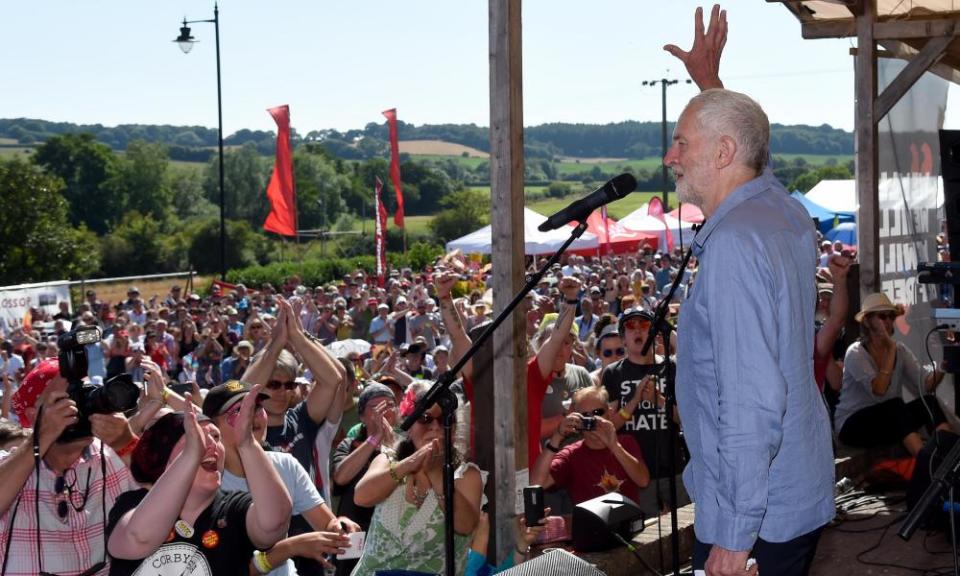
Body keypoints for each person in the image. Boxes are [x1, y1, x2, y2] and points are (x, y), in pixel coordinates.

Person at [666, 6, 834, 575]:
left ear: (721, 155)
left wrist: (735, 540)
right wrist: (712, 88)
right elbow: (752, 157)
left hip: (754, 517)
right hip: (792, 490)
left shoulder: (736, 243)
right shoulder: (781, 211)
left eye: (681, 143)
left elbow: (749, 400)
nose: (671, 157)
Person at [106, 396, 293, 575]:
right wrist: (191, 455)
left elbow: (274, 524)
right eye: (198, 437)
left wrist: (247, 443)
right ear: (165, 458)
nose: (212, 444)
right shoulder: (132, 504)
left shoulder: (234, 508)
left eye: (216, 436)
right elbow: (138, 538)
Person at [0, 359, 140, 575]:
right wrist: (42, 435)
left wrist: (126, 443)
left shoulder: (112, 455)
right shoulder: (13, 465)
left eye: (86, 396)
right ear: (32, 415)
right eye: (68, 400)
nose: (80, 409)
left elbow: (173, 496)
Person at [203, 380, 353, 575]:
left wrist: (340, 527)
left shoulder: (285, 465)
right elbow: (227, 568)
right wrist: (291, 547)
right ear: (213, 427)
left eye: (257, 408)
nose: (252, 416)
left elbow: (326, 523)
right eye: (239, 411)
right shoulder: (206, 481)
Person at [351, 381, 482, 575]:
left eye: (444, 419)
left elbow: (465, 525)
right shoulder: (388, 461)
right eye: (425, 418)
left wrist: (435, 472)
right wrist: (409, 464)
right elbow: (361, 496)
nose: (435, 427)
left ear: (453, 431)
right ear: (410, 425)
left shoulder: (466, 475)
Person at [835, 293, 949, 455]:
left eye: (891, 316)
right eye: (882, 316)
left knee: (928, 402)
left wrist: (944, 366)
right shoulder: (855, 352)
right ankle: (925, 462)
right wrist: (890, 348)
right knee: (895, 406)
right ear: (867, 321)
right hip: (852, 424)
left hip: (888, 419)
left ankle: (949, 456)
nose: (888, 321)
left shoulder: (899, 349)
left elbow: (925, 385)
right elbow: (879, 390)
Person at [603, 308, 689, 519]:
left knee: (686, 532)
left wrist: (658, 401)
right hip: (636, 475)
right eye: (631, 326)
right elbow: (608, 428)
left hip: (674, 471)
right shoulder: (613, 373)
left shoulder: (672, 368)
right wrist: (633, 403)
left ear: (654, 332)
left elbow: (686, 420)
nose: (638, 330)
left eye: (644, 324)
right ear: (623, 338)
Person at [530, 386, 649, 507]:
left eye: (598, 413)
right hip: (590, 525)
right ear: (577, 419)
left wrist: (615, 446)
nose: (592, 419)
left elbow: (643, 481)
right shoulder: (571, 455)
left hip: (627, 523)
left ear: (609, 413)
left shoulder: (626, 442)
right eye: (585, 415)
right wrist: (557, 437)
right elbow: (537, 484)